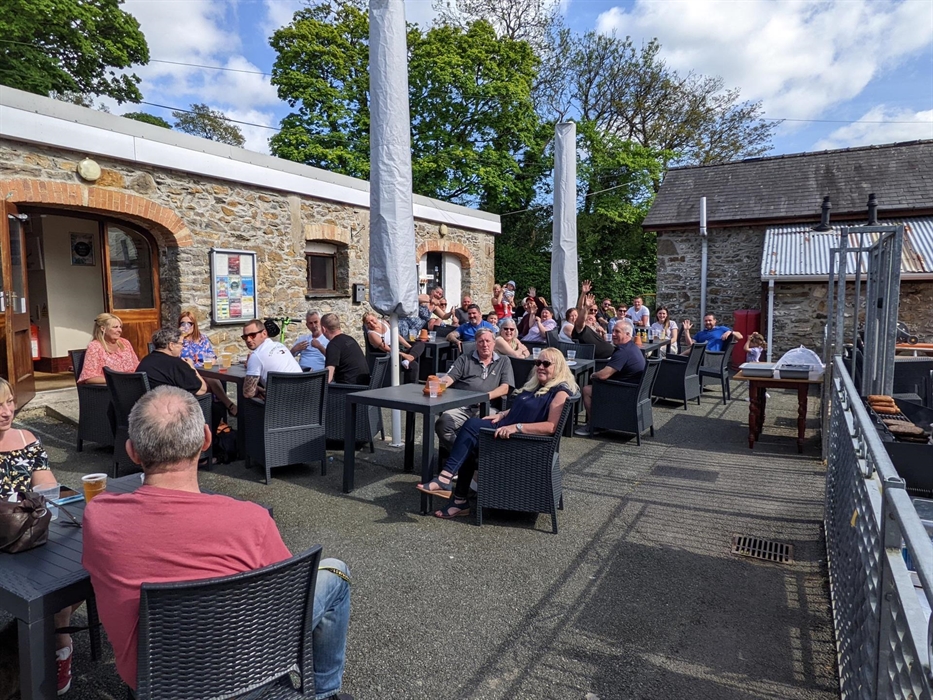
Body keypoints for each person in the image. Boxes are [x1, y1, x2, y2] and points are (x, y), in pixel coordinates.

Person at [82, 387, 353, 699]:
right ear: (206, 441)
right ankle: (323, 693)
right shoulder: (251, 520)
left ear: (132, 451)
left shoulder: (98, 518)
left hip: (153, 685)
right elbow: (289, 602)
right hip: (246, 677)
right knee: (335, 572)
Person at [428, 348, 578, 518]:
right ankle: (457, 498)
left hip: (519, 443)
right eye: (538, 363)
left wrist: (517, 427)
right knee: (467, 441)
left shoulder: (560, 393)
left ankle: (448, 483)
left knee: (469, 428)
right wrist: (502, 414)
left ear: (558, 367)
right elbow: (520, 408)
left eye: (546, 363)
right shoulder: (538, 385)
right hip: (505, 431)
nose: (540, 367)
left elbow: (551, 427)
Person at [0, 377, 78, 694]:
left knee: (71, 572)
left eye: (8, 402)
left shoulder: (26, 438)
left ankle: (61, 642)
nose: (6, 411)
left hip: (25, 533)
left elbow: (48, 488)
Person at [425, 328, 513, 474]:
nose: (485, 345)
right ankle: (468, 461)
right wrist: (437, 384)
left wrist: (485, 397)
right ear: (476, 344)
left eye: (488, 341)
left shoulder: (504, 361)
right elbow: (449, 378)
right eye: (481, 341)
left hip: (487, 408)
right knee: (443, 424)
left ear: (494, 343)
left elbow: (505, 388)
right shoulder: (465, 359)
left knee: (490, 428)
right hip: (462, 406)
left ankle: (462, 464)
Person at [575, 318, 646, 437]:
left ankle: (594, 425)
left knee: (587, 390)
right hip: (637, 390)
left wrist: (594, 374)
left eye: (617, 332)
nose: (613, 334)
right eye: (613, 331)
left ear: (627, 334)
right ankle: (600, 421)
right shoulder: (632, 347)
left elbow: (603, 375)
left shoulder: (623, 352)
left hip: (626, 393)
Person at [177, 309, 237, 415]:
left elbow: (212, 355)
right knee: (213, 381)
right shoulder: (177, 341)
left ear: (194, 325)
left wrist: (210, 362)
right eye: (183, 323)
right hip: (189, 372)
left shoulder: (202, 338)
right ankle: (229, 405)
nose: (186, 326)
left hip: (205, 369)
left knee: (215, 378)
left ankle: (218, 417)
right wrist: (181, 336)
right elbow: (176, 357)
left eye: (189, 323)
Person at [242, 319, 302, 399]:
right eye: (245, 337)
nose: (248, 340)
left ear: (264, 333)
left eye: (252, 335)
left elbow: (248, 393)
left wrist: (258, 389)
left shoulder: (256, 355)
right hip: (304, 397)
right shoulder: (280, 345)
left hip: (280, 403)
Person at [136, 328, 208, 395]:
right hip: (168, 406)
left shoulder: (146, 360)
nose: (182, 347)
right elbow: (202, 390)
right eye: (181, 344)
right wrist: (191, 367)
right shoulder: (176, 364)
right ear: (171, 345)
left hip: (144, 405)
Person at [77, 313, 139, 384]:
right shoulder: (95, 346)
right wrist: (117, 381)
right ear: (103, 329)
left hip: (133, 383)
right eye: (115, 327)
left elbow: (137, 366)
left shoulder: (125, 343)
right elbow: (89, 377)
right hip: (111, 388)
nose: (120, 330)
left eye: (120, 327)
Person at [363, 311, 424, 383]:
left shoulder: (384, 323)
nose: (371, 324)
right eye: (368, 323)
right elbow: (385, 348)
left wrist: (410, 348)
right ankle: (410, 387)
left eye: (372, 320)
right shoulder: (372, 334)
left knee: (420, 344)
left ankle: (408, 360)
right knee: (414, 365)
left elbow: (397, 336)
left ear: (376, 317)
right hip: (389, 354)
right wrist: (404, 355)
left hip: (397, 347)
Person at [321, 313, 370, 385]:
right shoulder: (350, 339)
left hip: (348, 389)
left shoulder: (333, 345)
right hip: (364, 386)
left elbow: (328, 376)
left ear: (323, 329)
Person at [572, 281, 615, 359]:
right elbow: (580, 309)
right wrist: (583, 295)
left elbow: (604, 340)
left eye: (595, 310)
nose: (593, 312)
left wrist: (602, 332)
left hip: (611, 354)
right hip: (602, 360)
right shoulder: (581, 328)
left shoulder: (596, 325)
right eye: (591, 310)